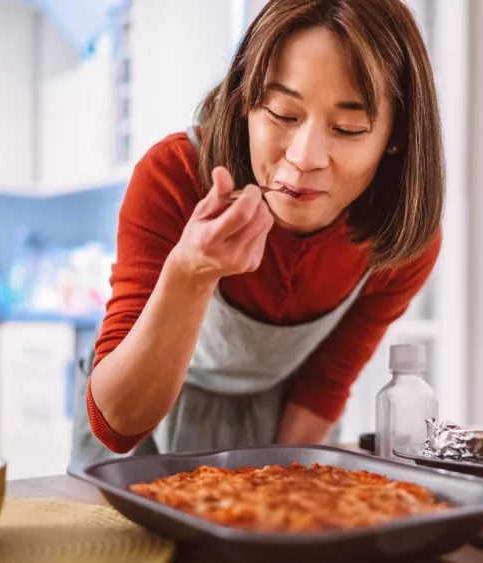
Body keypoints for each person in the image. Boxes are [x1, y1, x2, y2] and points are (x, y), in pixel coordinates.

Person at [71, 0, 444, 462]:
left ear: (396, 136)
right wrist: (190, 274)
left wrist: (272, 487)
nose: (305, 157)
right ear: (244, 101)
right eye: (283, 114)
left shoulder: (397, 241)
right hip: (143, 414)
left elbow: (325, 386)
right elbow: (117, 426)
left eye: (348, 128)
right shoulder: (174, 176)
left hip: (279, 419)